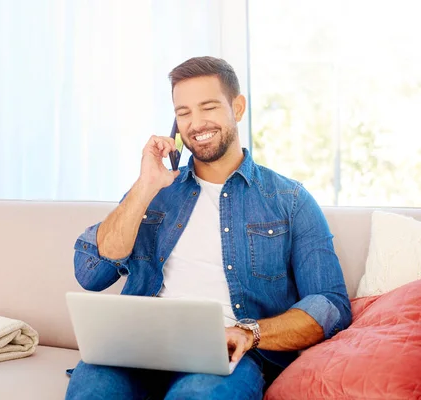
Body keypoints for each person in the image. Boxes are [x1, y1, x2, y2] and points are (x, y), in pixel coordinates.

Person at [65, 56, 352, 400]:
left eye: (208, 107)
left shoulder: (289, 200)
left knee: (198, 394)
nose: (196, 123)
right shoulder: (154, 192)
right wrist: (145, 185)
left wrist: (250, 333)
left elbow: (331, 305)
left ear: (238, 107)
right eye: (183, 112)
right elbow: (90, 274)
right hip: (137, 351)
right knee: (93, 392)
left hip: (225, 356)